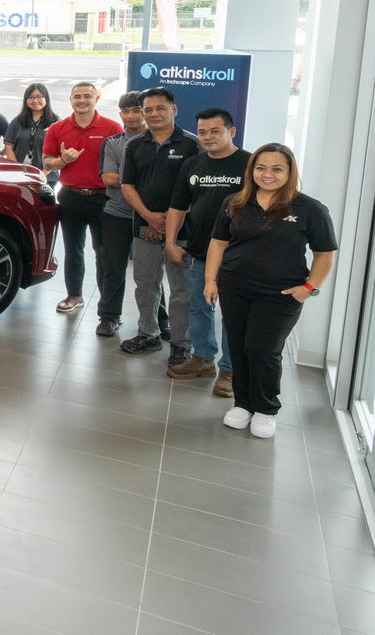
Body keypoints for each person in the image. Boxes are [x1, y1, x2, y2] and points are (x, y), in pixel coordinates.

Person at [204, 144, 337, 439]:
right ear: (252, 170)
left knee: (263, 350)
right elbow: (218, 243)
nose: (268, 174)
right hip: (235, 288)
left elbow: (325, 253)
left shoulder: (308, 208)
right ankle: (243, 404)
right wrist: (211, 280)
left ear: (290, 172)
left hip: (281, 295)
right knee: (237, 346)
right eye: (261, 167)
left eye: (277, 168)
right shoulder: (235, 202)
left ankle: (265, 409)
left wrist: (309, 288)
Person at [166, 108, 249, 394]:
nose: (208, 137)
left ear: (231, 132)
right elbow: (177, 207)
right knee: (198, 307)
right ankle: (203, 358)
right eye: (202, 132)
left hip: (238, 257)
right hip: (198, 251)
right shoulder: (192, 164)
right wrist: (171, 242)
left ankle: (230, 370)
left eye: (215, 131)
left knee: (233, 314)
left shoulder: (250, 165)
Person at [119, 87, 201, 367]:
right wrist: (150, 216)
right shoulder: (134, 145)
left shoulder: (192, 145)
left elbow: (198, 190)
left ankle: (181, 343)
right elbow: (127, 185)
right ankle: (148, 333)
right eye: (148, 110)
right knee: (146, 284)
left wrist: (171, 222)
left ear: (174, 110)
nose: (153, 114)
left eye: (160, 108)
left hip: (183, 233)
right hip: (144, 226)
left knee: (181, 290)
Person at [42, 81, 123, 313]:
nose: (82, 100)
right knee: (73, 250)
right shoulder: (58, 129)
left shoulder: (112, 128)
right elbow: (47, 162)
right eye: (77, 96)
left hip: (104, 199)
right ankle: (74, 296)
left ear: (95, 99)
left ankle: (107, 306)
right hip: (70, 197)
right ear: (70, 100)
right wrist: (63, 161)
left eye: (87, 96)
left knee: (104, 253)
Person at [96, 92, 164, 339]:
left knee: (152, 272)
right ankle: (109, 316)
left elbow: (122, 178)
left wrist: (127, 181)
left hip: (152, 217)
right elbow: (108, 178)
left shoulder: (160, 142)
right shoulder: (113, 142)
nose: (132, 116)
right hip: (117, 214)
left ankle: (161, 320)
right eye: (126, 111)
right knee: (112, 267)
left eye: (137, 110)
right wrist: (139, 181)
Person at [4, 83, 59, 186]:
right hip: (20, 176)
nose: (34, 100)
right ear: (26, 100)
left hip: (47, 177)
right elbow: (8, 146)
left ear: (46, 98)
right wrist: (17, 170)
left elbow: (59, 152)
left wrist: (42, 174)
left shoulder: (56, 121)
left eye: (39, 97)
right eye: (31, 97)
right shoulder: (18, 121)